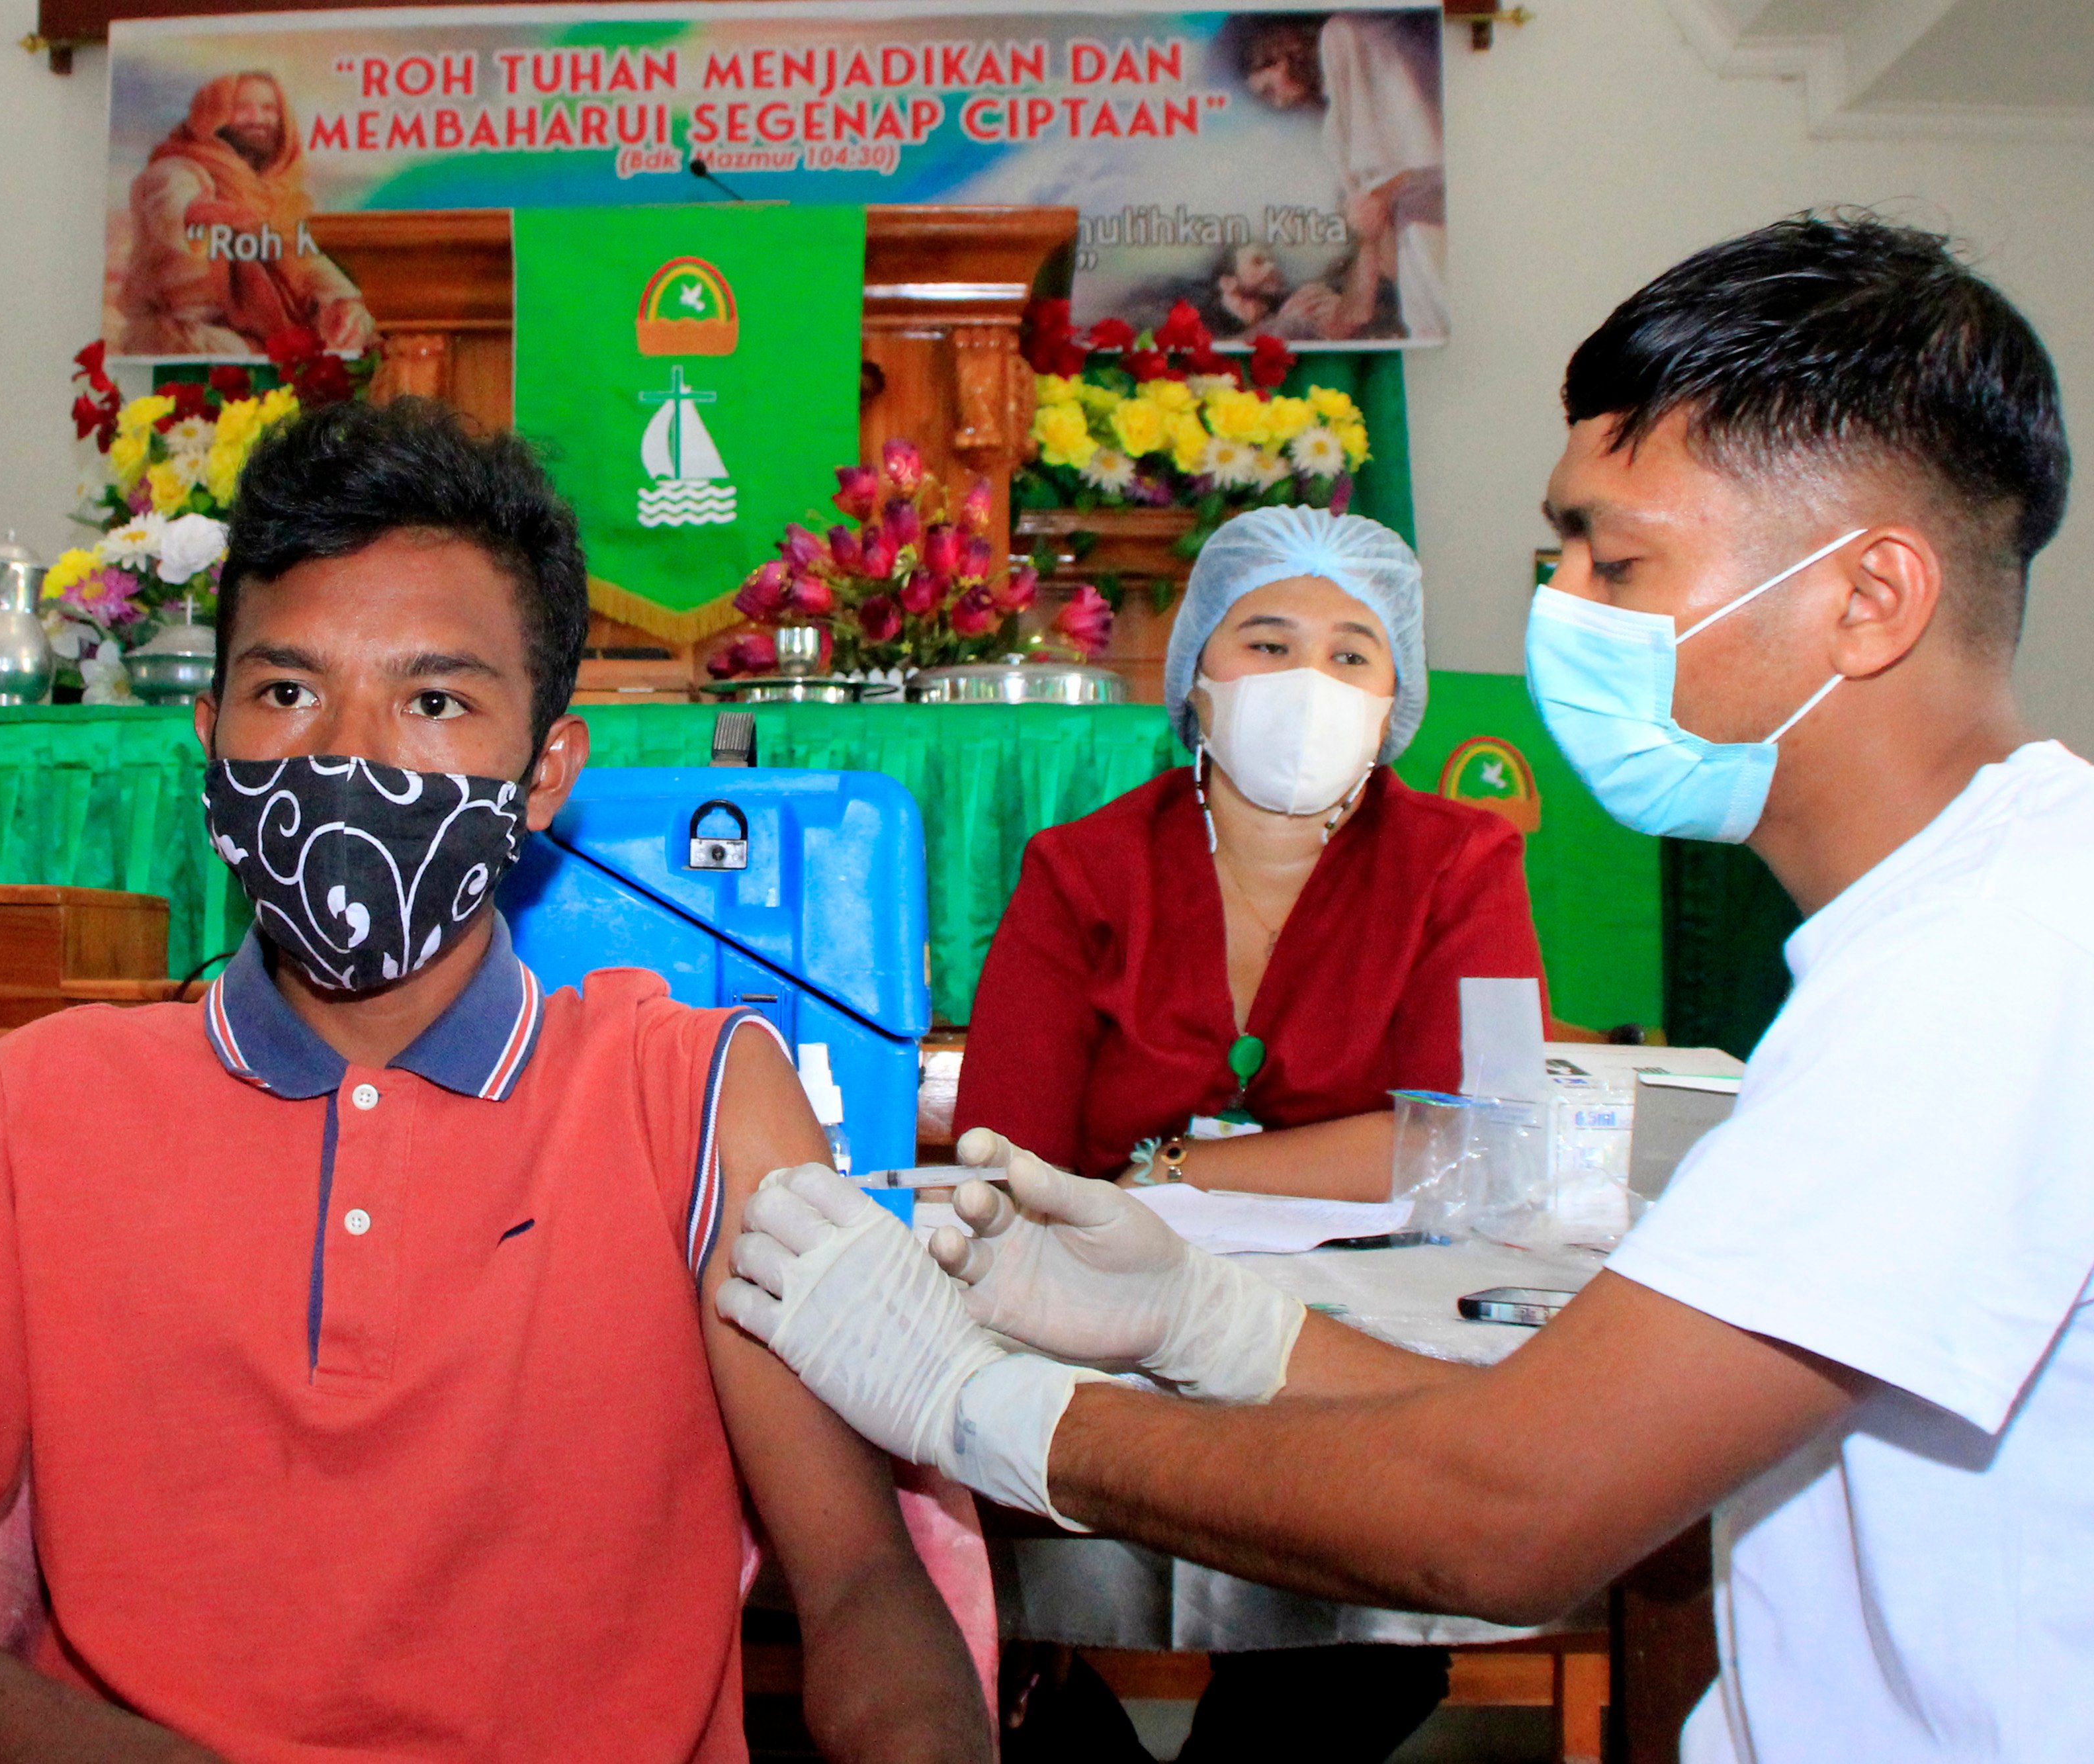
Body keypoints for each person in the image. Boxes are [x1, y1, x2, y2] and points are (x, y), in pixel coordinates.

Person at [717, 214, 2092, 1761]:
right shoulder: (1952, 938)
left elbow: (1504, 1512)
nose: (1561, 609)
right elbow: (1576, 1423)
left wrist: (970, 1399)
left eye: (1617, 558)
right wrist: (1214, 1318)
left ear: (1868, 596)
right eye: (1556, 554)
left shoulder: (2000, 969)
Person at [0, 400, 992, 1764]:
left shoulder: (685, 1098)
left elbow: (859, 1584)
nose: (348, 756)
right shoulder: (55, 1098)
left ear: (545, 769)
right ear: (211, 741)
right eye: (287, 692)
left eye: (432, 700)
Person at [956, 506, 1544, 1204]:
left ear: (1394, 702)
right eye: (1268, 646)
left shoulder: (1461, 863)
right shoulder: (1083, 870)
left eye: (1350, 656)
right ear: (1193, 676)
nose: (1307, 682)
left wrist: (1173, 1169)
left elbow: (1476, 1141)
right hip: (1111, 1286)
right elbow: (1005, 1159)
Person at [118, 71, 376, 358]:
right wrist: (207, 214)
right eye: (242, 108)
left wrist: (343, 302)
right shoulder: (178, 168)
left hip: (252, 340)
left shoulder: (279, 194)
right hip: (177, 333)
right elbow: (172, 208)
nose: (258, 118)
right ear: (210, 113)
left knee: (358, 328)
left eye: (268, 109)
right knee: (237, 353)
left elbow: (302, 259)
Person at [1239, 13, 1445, 341]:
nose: (1276, 105)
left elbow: (1411, 165)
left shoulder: (1346, 37)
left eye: (1268, 90)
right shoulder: (1327, 130)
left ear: (1280, 59)